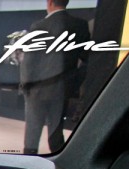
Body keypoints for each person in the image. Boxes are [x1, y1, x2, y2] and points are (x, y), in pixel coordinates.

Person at [20, 0, 90, 155]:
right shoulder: (80, 25)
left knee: (32, 132)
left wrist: (25, 86)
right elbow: (87, 60)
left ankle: (28, 165)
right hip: (62, 89)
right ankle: (59, 167)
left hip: (37, 89)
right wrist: (74, 82)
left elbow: (29, 61)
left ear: (49, 3)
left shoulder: (39, 26)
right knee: (56, 132)